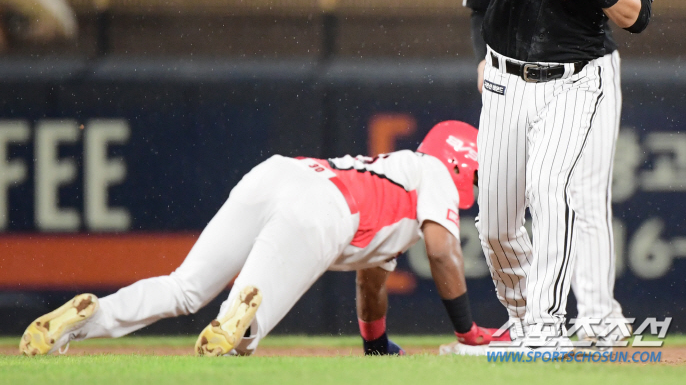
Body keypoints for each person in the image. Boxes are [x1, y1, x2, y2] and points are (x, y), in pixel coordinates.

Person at [313, 0, 652, 347]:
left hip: (575, 80)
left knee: (552, 193)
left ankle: (545, 330)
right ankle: (524, 320)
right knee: (494, 224)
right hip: (504, 83)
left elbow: (639, 17)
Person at [20, 121, 507, 357]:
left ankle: (88, 317)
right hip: (325, 209)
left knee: (183, 287)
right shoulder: (436, 172)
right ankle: (242, 320)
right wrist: (467, 331)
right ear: (464, 161)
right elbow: (443, 251)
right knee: (236, 341)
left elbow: (371, 283)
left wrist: (376, 345)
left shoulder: (400, 177)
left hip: (281, 174)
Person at [465, 0, 628, 345]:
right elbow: (484, 9)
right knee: (503, 213)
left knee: (577, 195)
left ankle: (596, 321)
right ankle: (527, 317)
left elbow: (632, 11)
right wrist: (483, 59)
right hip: (509, 73)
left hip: (581, 73)